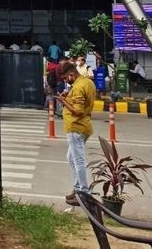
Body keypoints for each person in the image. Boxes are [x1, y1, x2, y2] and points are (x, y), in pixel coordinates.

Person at [56, 60, 96, 206]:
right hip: (84, 126)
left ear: (72, 74)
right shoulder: (87, 82)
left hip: (76, 126)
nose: (66, 81)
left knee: (78, 160)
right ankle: (78, 188)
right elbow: (83, 103)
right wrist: (69, 97)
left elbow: (78, 111)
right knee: (71, 158)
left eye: (66, 78)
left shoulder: (78, 87)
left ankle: (84, 193)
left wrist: (62, 101)